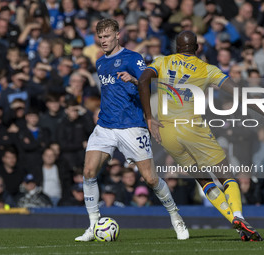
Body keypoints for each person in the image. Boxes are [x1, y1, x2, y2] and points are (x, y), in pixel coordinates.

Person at [138, 31, 264, 241]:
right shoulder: (207, 70)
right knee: (226, 175)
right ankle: (238, 215)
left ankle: (238, 226)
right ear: (197, 48)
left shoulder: (162, 61)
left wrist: (149, 117)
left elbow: (143, 80)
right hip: (192, 128)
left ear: (177, 48)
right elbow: (239, 94)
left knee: (204, 180)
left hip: (166, 133)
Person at [75, 18, 189, 242]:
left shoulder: (133, 58)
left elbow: (151, 85)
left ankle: (176, 216)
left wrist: (135, 81)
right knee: (88, 172)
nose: (103, 41)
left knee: (150, 179)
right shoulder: (99, 63)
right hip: (106, 125)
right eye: (100, 37)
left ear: (118, 34)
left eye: (107, 36)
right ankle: (92, 224)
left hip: (132, 126)